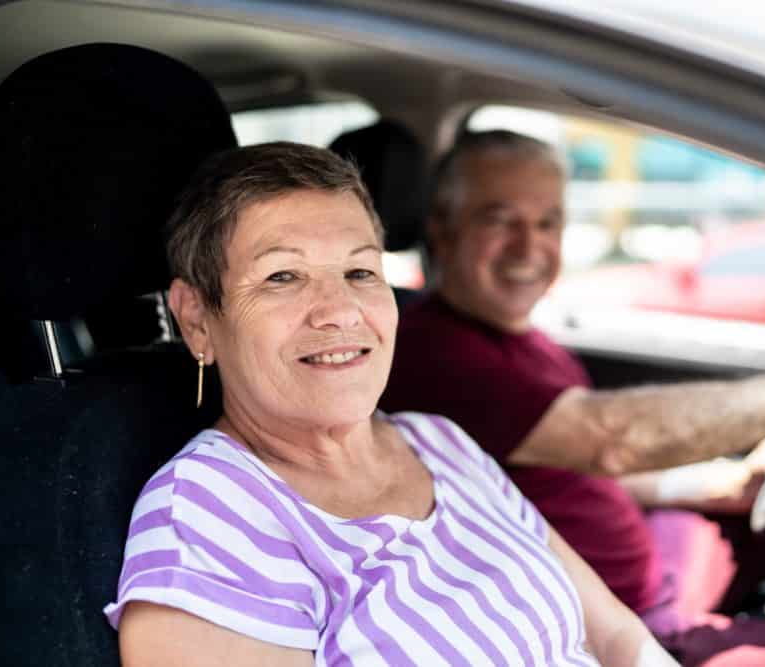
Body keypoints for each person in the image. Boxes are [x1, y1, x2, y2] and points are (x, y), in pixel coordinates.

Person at [104, 142, 679, 666]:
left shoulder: (438, 441)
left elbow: (617, 639)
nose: (340, 310)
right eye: (283, 276)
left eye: (360, 271)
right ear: (198, 318)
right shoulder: (207, 515)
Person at [381, 130, 765, 666]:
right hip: (613, 627)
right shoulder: (434, 355)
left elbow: (587, 472)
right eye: (499, 221)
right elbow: (609, 441)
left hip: (656, 561)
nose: (530, 247)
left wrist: (724, 483)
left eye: (548, 222)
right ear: (443, 230)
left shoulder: (524, 339)